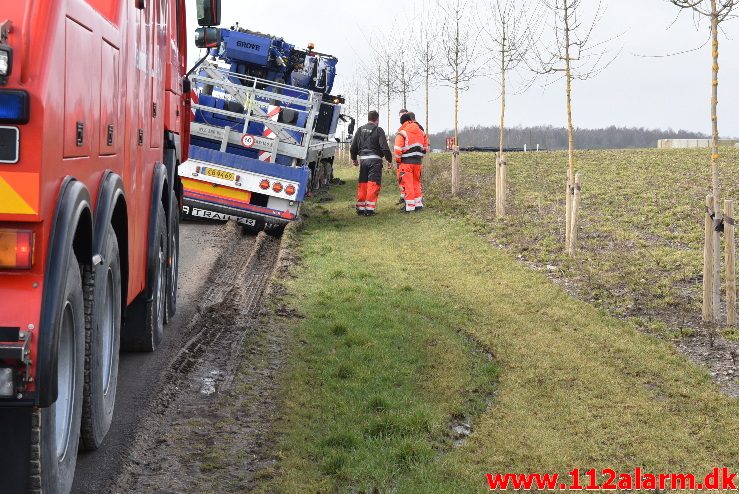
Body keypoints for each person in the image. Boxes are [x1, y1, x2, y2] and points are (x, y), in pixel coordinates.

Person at [350, 110, 393, 216]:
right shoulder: (378, 130)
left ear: (368, 118)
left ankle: (360, 208)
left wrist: (354, 159)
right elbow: (384, 147)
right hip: (375, 161)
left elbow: (353, 147)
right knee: (373, 184)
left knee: (363, 184)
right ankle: (369, 210)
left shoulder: (360, 130)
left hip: (363, 160)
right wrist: (389, 160)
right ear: (377, 120)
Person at [394, 113, 427, 212]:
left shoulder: (402, 133)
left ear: (402, 122)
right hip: (417, 162)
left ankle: (409, 207)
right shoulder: (421, 131)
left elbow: (397, 150)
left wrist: (398, 161)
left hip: (406, 163)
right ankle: (418, 204)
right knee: (416, 183)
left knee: (408, 184)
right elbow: (425, 147)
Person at [407, 111, 428, 210]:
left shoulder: (412, 128)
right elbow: (425, 145)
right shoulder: (421, 128)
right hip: (418, 159)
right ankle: (418, 203)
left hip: (409, 159)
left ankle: (412, 204)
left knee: (411, 182)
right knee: (417, 181)